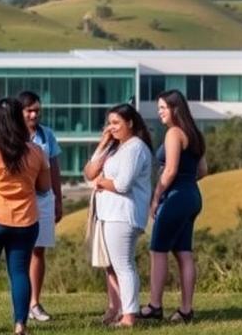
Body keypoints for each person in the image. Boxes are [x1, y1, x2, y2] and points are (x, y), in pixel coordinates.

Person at [0, 98, 51, 335]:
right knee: (19, 273)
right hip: (25, 221)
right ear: (19, 120)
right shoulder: (36, 152)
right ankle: (20, 324)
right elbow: (44, 187)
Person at [83, 103, 153, 328]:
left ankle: (129, 316)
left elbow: (122, 184)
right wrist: (103, 144)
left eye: (116, 123)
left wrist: (100, 182)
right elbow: (89, 172)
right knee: (110, 265)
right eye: (109, 123)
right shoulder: (115, 147)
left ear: (130, 123)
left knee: (123, 264)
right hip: (107, 214)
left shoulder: (135, 148)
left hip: (123, 215)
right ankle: (117, 310)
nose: (111, 128)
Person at [141, 90, 208, 325]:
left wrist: (156, 198)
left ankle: (155, 305)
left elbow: (169, 171)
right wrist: (185, 183)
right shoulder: (195, 134)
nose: (159, 112)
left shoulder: (173, 134)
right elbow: (203, 171)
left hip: (176, 197)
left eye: (163, 108)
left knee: (158, 250)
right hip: (192, 196)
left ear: (174, 109)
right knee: (183, 253)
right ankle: (186, 310)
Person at [16, 90, 63, 323]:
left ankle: (35, 301)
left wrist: (58, 199)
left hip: (44, 199)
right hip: (19, 200)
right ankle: (21, 303)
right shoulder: (12, 134)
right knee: (20, 253)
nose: (34, 114)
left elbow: (54, 168)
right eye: (29, 110)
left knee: (38, 250)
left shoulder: (47, 135)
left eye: (37, 110)